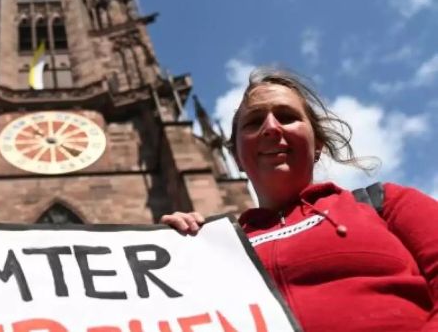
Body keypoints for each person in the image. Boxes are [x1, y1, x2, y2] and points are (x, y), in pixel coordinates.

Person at [162, 67, 437, 332]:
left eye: (286, 116)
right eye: (254, 122)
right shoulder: (218, 244)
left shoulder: (387, 204)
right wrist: (167, 253)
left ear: (317, 144)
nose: (271, 127)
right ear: (236, 157)